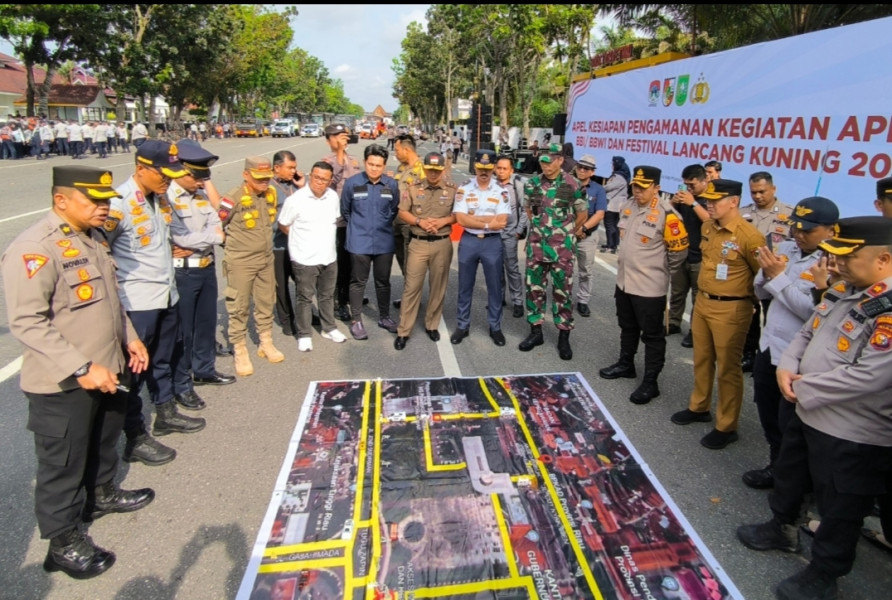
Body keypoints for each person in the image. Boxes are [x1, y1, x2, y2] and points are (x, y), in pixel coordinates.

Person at [1, 166, 154, 579]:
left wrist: (131, 338)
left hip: (108, 367)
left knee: (104, 439)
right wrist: (82, 367)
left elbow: (110, 299)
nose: (104, 208)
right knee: (62, 463)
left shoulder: (93, 237)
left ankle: (101, 493)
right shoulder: (34, 248)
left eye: (106, 201)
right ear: (61, 200)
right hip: (64, 381)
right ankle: (63, 540)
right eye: (95, 202)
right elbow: (27, 322)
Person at [736, 216, 892, 600]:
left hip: (851, 430)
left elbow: (872, 376)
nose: (835, 264)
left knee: (841, 504)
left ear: (883, 260)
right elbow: (808, 330)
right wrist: (788, 365)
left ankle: (824, 573)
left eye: (846, 257)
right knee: (791, 473)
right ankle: (782, 526)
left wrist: (805, 386)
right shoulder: (845, 288)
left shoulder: (886, 306)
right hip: (807, 410)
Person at [106, 141, 206, 466]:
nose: (169, 180)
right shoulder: (118, 204)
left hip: (166, 295)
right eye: (163, 174)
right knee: (132, 375)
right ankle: (134, 437)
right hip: (137, 303)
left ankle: (165, 413)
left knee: (164, 359)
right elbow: (100, 253)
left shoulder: (159, 198)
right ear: (141, 169)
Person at [742, 196, 839, 490]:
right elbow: (761, 292)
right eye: (796, 226)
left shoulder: (833, 264)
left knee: (793, 427)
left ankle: (795, 487)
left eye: (808, 229)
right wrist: (769, 276)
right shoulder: (786, 249)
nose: (798, 233)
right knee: (769, 416)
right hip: (769, 346)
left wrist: (778, 278)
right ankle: (776, 466)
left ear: (830, 230)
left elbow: (814, 312)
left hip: (798, 359)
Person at [670, 179, 765, 448]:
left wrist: (752, 304)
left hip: (732, 307)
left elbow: (763, 276)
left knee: (728, 368)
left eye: (714, 201)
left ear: (733, 202)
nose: (708, 205)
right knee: (702, 358)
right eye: (707, 200)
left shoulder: (749, 236)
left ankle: (726, 425)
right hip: (703, 302)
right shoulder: (708, 226)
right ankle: (699, 407)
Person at [599, 166, 689, 403]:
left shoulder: (667, 215)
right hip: (625, 283)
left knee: (652, 336)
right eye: (635, 186)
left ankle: (651, 382)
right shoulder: (628, 206)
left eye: (643, 187)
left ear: (657, 188)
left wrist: (660, 273)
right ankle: (626, 364)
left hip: (649, 288)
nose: (637, 191)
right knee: (627, 327)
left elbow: (678, 254)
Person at [168, 140, 235, 393]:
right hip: (183, 270)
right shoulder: (168, 198)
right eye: (197, 176)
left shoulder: (199, 194)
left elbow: (215, 224)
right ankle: (182, 379)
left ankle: (204, 370)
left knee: (205, 324)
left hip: (206, 266)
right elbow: (179, 238)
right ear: (182, 171)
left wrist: (211, 236)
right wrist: (213, 237)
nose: (202, 182)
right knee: (184, 329)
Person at [516, 143, 587, 359]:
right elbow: (529, 210)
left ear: (560, 161)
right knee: (534, 289)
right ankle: (536, 332)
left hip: (562, 250)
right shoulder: (533, 183)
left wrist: (564, 234)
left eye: (549, 162)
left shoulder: (572, 184)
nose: (545, 166)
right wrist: (542, 229)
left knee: (562, 292)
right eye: (542, 162)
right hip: (537, 247)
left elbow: (581, 214)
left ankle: (563, 337)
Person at [218, 156, 286, 376]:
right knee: (239, 306)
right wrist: (230, 245)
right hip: (241, 262)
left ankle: (265, 341)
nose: (264, 182)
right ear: (246, 175)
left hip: (265, 259)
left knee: (266, 301)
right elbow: (218, 225)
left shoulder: (271, 194)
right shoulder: (233, 198)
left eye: (267, 178)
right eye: (259, 178)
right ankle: (239, 348)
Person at [278, 161, 346, 351]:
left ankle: (329, 328)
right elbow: (284, 224)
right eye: (316, 177)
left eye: (324, 179)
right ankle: (304, 334)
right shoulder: (296, 200)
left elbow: (333, 220)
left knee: (326, 295)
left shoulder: (332, 197)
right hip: (304, 258)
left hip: (329, 256)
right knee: (305, 298)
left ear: (330, 180)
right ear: (310, 176)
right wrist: (299, 242)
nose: (319, 182)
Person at [393, 152, 458, 350]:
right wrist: (419, 221)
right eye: (430, 169)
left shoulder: (453, 190)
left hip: (442, 243)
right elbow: (402, 211)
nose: (433, 174)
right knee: (411, 287)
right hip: (418, 243)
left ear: (443, 170)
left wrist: (443, 221)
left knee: (438, 287)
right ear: (424, 168)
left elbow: (458, 214)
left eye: (437, 170)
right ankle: (404, 330)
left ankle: (432, 325)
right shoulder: (413, 188)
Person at [340, 144, 401, 340]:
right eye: (371, 164)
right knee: (358, 282)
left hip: (384, 241)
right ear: (365, 163)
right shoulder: (352, 183)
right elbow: (346, 211)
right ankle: (356, 320)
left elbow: (393, 210)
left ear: (384, 166)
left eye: (378, 165)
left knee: (383, 281)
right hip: (359, 242)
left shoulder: (391, 185)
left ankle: (384, 316)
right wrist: (360, 227)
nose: (374, 168)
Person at [451, 148, 511, 346]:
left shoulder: (501, 191)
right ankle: (462, 325)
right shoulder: (465, 187)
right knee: (465, 285)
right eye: (480, 168)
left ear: (493, 168)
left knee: (494, 287)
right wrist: (486, 222)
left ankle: (495, 327)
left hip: (492, 243)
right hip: (469, 241)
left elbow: (501, 221)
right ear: (475, 167)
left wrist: (473, 218)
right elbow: (460, 218)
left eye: (488, 168)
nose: (483, 172)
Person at [740, 172, 795, 372]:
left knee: (774, 317)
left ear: (773, 189)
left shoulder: (789, 215)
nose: (757, 196)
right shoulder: (743, 213)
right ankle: (749, 353)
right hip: (748, 274)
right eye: (753, 192)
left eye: (762, 191)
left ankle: (770, 356)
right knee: (750, 316)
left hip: (775, 275)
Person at [321, 123, 362, 321]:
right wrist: (338, 153)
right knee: (340, 264)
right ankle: (339, 302)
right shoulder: (326, 161)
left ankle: (350, 295)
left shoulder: (353, 160)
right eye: (339, 137)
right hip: (337, 222)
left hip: (355, 220)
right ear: (330, 139)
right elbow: (330, 183)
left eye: (345, 136)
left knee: (354, 261)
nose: (343, 140)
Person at [668, 164, 711, 347]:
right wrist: (674, 202)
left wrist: (693, 202)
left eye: (692, 185)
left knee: (698, 297)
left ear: (704, 181)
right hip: (681, 252)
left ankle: (696, 331)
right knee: (677, 291)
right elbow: (667, 214)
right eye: (686, 185)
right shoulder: (683, 197)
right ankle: (673, 322)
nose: (688, 189)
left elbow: (710, 221)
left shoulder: (711, 199)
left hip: (700, 255)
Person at [269, 150, 306, 336]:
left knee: (302, 281)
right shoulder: (269, 187)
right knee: (281, 285)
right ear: (277, 167)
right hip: (278, 245)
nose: (293, 171)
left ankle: (304, 315)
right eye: (289, 167)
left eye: (295, 167)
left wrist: (301, 186)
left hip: (297, 244)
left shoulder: (295, 184)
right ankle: (286, 319)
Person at [391, 134, 426, 310]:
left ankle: (412, 300)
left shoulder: (422, 170)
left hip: (411, 224)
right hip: (396, 222)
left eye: (397, 150)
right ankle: (410, 296)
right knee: (402, 261)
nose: (395, 153)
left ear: (407, 149)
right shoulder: (401, 167)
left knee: (411, 266)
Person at [572, 154, 608, 318]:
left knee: (585, 270)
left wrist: (584, 227)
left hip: (587, 235)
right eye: (579, 167)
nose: (581, 170)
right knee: (562, 269)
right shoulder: (568, 184)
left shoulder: (598, 189)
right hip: (567, 233)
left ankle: (583, 300)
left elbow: (599, 214)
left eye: (586, 168)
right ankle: (563, 296)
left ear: (592, 172)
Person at [494, 154, 529, 318]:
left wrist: (518, 230)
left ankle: (517, 302)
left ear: (511, 170)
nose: (501, 171)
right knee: (496, 268)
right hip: (492, 235)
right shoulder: (491, 185)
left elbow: (525, 210)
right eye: (498, 168)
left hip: (509, 235)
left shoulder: (517, 186)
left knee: (512, 269)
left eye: (504, 169)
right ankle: (499, 298)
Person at [601, 156, 630, 254]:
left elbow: (609, 187)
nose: (612, 166)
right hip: (617, 205)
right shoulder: (623, 175)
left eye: (613, 164)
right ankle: (613, 244)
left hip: (613, 205)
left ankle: (611, 245)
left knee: (609, 225)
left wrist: (601, 188)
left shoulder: (619, 177)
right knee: (614, 225)